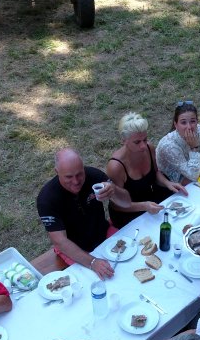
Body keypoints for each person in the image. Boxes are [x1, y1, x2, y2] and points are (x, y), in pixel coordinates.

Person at [37, 148, 132, 279]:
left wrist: (114, 191)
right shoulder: (47, 198)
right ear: (57, 172)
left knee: (131, 261)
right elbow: (60, 241)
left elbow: (126, 202)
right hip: (73, 248)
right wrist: (92, 262)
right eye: (69, 177)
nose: (76, 181)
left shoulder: (94, 176)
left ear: (83, 168)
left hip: (103, 233)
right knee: (94, 281)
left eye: (79, 174)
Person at [106, 112, 186, 228]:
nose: (143, 146)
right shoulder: (116, 166)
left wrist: (168, 183)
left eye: (145, 139)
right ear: (123, 140)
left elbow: (155, 173)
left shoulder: (149, 148)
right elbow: (116, 204)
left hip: (148, 202)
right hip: (127, 213)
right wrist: (144, 206)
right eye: (137, 142)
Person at [156, 101, 200, 183]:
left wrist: (195, 170)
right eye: (183, 122)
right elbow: (193, 176)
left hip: (192, 176)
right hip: (173, 185)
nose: (189, 127)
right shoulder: (168, 146)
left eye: (192, 121)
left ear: (197, 121)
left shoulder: (199, 130)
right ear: (176, 125)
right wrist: (194, 148)